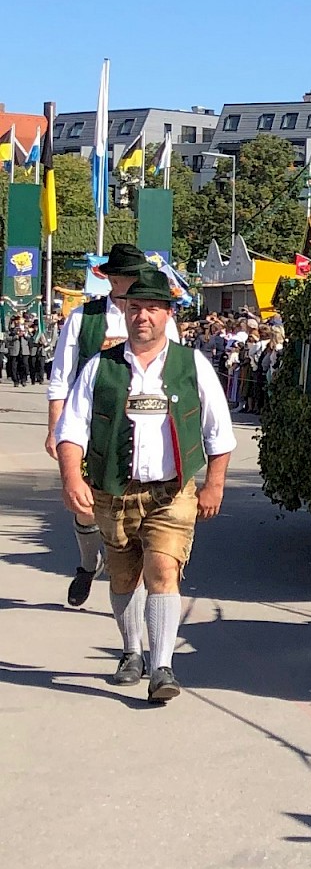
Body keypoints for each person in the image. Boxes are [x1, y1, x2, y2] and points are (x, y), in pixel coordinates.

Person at [53, 267, 234, 703]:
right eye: (136, 308)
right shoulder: (101, 366)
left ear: (168, 315)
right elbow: (72, 430)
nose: (143, 317)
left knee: (162, 568)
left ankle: (162, 666)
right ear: (126, 312)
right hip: (113, 491)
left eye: (153, 308)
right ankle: (131, 650)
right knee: (123, 576)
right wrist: (71, 476)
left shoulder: (193, 365)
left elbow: (219, 430)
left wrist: (214, 484)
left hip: (170, 492)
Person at [46, 243, 179, 610]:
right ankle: (89, 564)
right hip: (92, 427)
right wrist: (55, 428)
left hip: (147, 428)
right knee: (85, 506)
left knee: (141, 507)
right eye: (127, 278)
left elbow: (181, 375)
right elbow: (61, 378)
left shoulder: (161, 319)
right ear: (111, 279)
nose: (134, 285)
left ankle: (134, 578)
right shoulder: (83, 319)